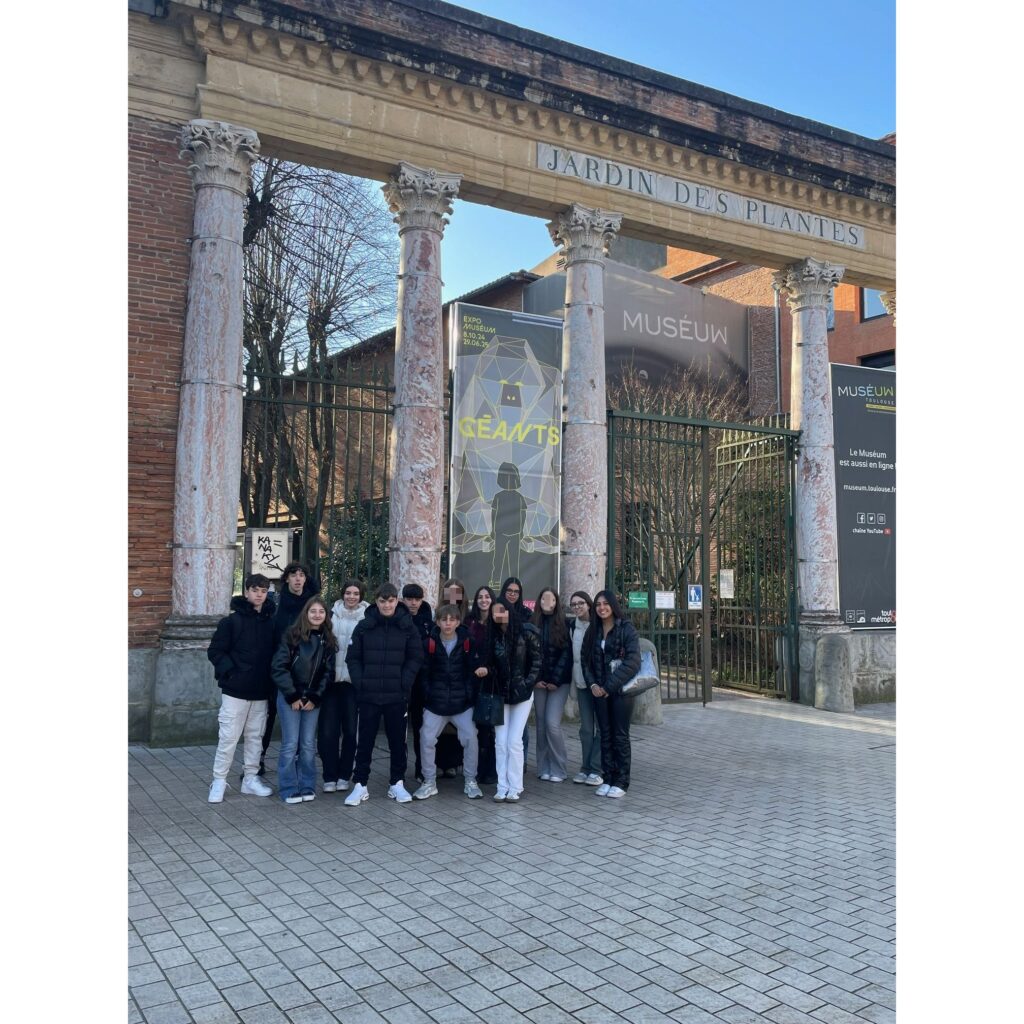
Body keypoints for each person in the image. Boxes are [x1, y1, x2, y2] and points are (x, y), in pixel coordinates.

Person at [344, 583, 423, 806]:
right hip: (368, 696)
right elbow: (352, 658)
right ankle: (360, 784)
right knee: (364, 742)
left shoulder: (408, 627)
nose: (386, 605)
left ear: (396, 601)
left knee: (398, 742)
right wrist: (361, 683)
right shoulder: (363, 626)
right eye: (382, 601)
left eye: (390, 601)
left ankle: (397, 783)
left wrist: (404, 683)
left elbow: (416, 657)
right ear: (376, 602)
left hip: (396, 696)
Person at [206, 574, 277, 803]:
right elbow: (215, 651)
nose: (259, 594)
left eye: (263, 591)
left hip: (261, 691)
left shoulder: (271, 622)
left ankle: (250, 779)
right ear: (247, 592)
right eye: (255, 590)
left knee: (255, 737)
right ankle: (219, 780)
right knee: (228, 737)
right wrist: (232, 674)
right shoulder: (231, 622)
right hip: (235, 691)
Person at [413, 605, 484, 800]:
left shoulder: (467, 641)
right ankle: (429, 781)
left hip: (461, 703)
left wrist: (469, 694)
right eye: (444, 620)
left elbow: (472, 670)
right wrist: (428, 694)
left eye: (452, 619)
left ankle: (470, 780)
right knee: (426, 738)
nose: (448, 623)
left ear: (458, 622)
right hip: (435, 703)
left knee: (471, 737)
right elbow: (424, 673)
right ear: (437, 622)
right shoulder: (429, 642)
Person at [272, 596, 337, 804]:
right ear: (306, 613)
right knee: (290, 744)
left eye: (321, 612)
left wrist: (315, 697)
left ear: (326, 615)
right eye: (313, 611)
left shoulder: (328, 639)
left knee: (308, 744)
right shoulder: (291, 635)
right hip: (290, 696)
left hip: (312, 699)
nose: (317, 615)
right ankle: (288, 787)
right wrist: (292, 695)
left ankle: (307, 785)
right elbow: (279, 667)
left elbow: (328, 672)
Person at [260, 560, 320, 777]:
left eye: (301, 575)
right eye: (293, 575)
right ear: (286, 579)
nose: (298, 579)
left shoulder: (313, 604)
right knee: (268, 715)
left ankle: (298, 762)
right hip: (277, 669)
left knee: (302, 721)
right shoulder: (275, 602)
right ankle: (259, 758)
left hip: (305, 672)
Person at [582, 590, 641, 799]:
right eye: (598, 604)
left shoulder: (626, 629)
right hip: (599, 692)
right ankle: (607, 778)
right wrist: (593, 685)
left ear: (613, 605)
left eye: (606, 604)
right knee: (605, 735)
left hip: (621, 693)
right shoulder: (593, 630)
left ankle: (621, 781)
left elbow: (633, 662)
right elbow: (585, 660)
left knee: (620, 736)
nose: (602, 608)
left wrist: (608, 686)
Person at [487, 596, 541, 802]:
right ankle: (502, 786)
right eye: (494, 612)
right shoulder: (493, 636)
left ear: (509, 611)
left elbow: (537, 662)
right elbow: (490, 663)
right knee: (500, 741)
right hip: (500, 694)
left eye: (502, 610)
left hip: (522, 694)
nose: (498, 615)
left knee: (514, 741)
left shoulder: (526, 632)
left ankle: (515, 786)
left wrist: (526, 684)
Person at [321, 579, 368, 792]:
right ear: (342, 594)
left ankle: (344, 775)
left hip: (352, 683)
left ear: (361, 596)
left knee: (350, 731)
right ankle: (329, 776)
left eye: (356, 593)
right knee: (328, 732)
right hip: (331, 682)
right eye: (348, 592)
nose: (351, 597)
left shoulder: (367, 617)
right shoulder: (330, 615)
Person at [530, 588, 571, 783]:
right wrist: (535, 678)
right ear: (539, 601)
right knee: (540, 725)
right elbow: (530, 653)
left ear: (556, 602)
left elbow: (566, 654)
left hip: (559, 683)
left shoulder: (564, 624)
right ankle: (543, 767)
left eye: (552, 599)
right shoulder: (532, 622)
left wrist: (555, 679)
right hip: (538, 682)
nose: (548, 602)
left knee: (552, 724)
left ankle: (559, 768)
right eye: (544, 598)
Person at [567, 592, 603, 786]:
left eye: (581, 603)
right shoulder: (572, 626)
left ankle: (597, 769)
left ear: (589, 604)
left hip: (600, 685)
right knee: (586, 729)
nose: (577, 607)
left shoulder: (599, 626)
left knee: (602, 728)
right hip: (581, 683)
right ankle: (585, 768)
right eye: (573, 604)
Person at [465, 585, 497, 785]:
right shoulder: (469, 621)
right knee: (475, 728)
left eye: (487, 596)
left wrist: (489, 668)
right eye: (480, 597)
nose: (484, 600)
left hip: (491, 681)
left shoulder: (498, 621)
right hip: (472, 679)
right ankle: (475, 769)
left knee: (489, 728)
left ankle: (490, 770)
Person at [401, 582, 434, 783]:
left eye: (417, 599)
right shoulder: (397, 618)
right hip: (401, 680)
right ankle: (399, 770)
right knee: (400, 729)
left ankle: (421, 769)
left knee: (421, 728)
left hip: (422, 682)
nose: (413, 603)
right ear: (403, 599)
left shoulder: (428, 622)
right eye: (409, 599)